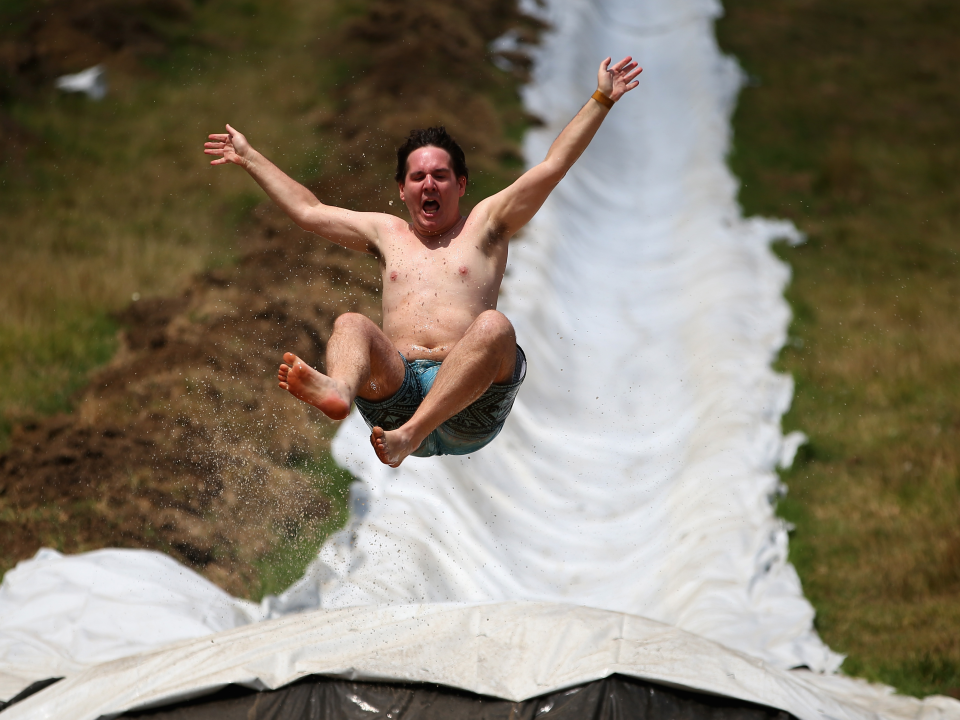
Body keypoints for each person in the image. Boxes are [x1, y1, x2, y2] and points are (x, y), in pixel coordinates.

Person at [204, 56, 642, 467]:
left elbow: (553, 166)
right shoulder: (386, 233)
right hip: (397, 393)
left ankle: (412, 434)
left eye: (440, 175)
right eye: (418, 177)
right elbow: (310, 211)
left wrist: (601, 99)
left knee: (495, 327)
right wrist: (249, 158)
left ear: (461, 184)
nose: (428, 183)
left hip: (470, 405)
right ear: (402, 189)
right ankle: (338, 390)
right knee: (351, 323)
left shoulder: (489, 223)